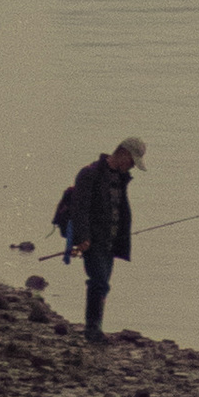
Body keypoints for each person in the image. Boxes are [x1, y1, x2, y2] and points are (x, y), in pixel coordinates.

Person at [59, 135, 145, 341]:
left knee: (103, 282)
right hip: (93, 241)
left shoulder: (121, 177)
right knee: (99, 282)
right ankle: (93, 330)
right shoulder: (90, 173)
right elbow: (80, 209)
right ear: (122, 153)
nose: (132, 166)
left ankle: (96, 327)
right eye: (131, 161)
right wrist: (83, 237)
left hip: (111, 241)